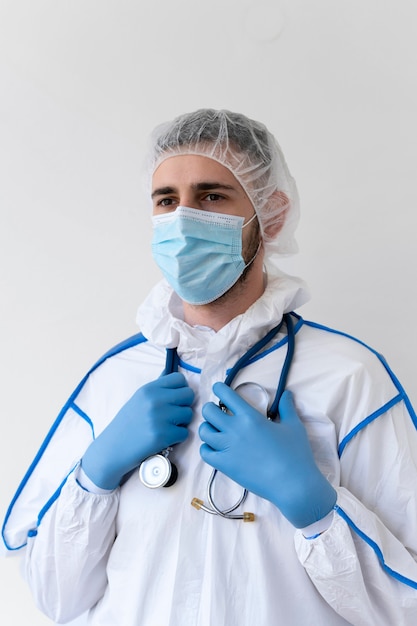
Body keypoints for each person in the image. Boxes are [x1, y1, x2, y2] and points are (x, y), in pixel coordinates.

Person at [2, 108, 417, 625]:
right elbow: (55, 597)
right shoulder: (116, 377)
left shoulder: (347, 378)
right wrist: (95, 475)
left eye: (212, 196)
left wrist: (314, 506)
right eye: (166, 200)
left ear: (273, 214)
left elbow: (407, 605)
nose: (183, 218)